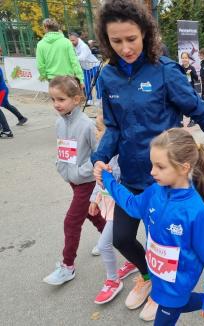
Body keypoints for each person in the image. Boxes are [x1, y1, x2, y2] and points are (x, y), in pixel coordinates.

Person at [92, 0, 204, 320]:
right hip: (132, 177)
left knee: (170, 246)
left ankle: (169, 293)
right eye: (116, 41)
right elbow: (113, 128)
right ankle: (148, 279)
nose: (126, 47)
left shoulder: (165, 71)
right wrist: (101, 158)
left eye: (131, 38)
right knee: (122, 238)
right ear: (106, 40)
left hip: (168, 178)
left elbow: (201, 111)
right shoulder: (108, 77)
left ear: (145, 33)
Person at [102, 128, 204, 326]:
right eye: (152, 165)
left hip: (178, 283)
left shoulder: (195, 211)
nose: (152, 172)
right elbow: (132, 205)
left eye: (160, 166)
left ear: (184, 168)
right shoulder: (154, 192)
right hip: (157, 275)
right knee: (177, 306)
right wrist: (107, 179)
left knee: (168, 312)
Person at [43, 76, 106, 286]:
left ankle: (67, 266)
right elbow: (62, 150)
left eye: (60, 99)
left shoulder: (87, 125)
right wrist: (61, 167)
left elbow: (99, 156)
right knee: (91, 213)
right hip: (72, 180)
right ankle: (110, 236)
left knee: (71, 222)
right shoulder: (59, 123)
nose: (56, 104)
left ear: (76, 99)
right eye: (53, 99)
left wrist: (81, 171)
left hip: (86, 182)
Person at [90, 113, 140, 305]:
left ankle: (113, 281)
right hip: (109, 205)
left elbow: (117, 183)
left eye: (100, 129)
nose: (96, 134)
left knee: (105, 244)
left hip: (119, 206)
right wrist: (94, 198)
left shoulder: (121, 156)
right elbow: (99, 179)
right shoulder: (104, 156)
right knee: (124, 239)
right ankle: (133, 262)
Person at [36, 18, 83, 83]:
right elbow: (74, 62)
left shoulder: (40, 44)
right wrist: (80, 79)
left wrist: (44, 76)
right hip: (67, 78)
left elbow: (40, 65)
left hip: (52, 79)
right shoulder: (66, 42)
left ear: (46, 28)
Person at [69, 32, 102, 106]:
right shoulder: (72, 46)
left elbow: (82, 58)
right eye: (70, 40)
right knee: (86, 84)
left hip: (94, 65)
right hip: (85, 68)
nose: (71, 42)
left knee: (97, 84)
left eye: (73, 40)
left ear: (77, 38)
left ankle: (100, 99)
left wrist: (72, 59)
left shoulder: (84, 46)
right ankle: (89, 100)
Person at [0, 67, 27, 138]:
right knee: (7, 105)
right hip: (3, 90)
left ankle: (7, 131)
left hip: (1, 91)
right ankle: (21, 118)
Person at [180, 51, 200, 127]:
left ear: (188, 59)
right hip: (182, 89)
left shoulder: (192, 67)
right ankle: (181, 121)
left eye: (186, 58)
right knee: (180, 104)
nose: (184, 59)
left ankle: (192, 120)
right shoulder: (180, 68)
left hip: (190, 89)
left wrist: (191, 73)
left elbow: (196, 78)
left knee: (191, 105)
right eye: (183, 58)